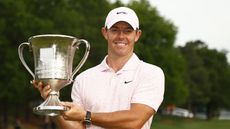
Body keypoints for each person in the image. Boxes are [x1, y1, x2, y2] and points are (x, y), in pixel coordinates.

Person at [33, 6, 165, 129]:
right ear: (105, 32)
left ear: (137, 35)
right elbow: (79, 127)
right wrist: (53, 104)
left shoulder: (151, 73)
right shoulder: (83, 78)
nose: (121, 36)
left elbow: (135, 120)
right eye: (114, 30)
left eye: (128, 31)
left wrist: (87, 115)